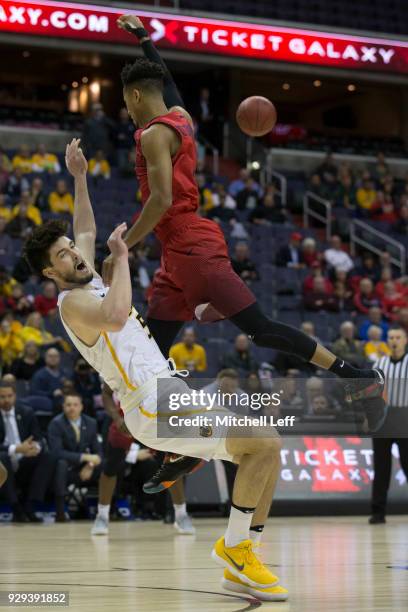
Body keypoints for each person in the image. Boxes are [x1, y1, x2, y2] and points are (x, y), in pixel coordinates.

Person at [25, 139, 289, 600]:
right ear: (50, 274)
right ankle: (235, 548)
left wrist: (81, 176)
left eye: (70, 247)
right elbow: (115, 314)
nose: (75, 253)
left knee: (268, 448)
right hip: (149, 404)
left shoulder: (87, 275)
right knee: (261, 443)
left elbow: (84, 226)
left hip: (168, 390)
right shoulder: (74, 305)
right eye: (63, 255)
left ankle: (243, 553)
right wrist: (123, 258)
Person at [0, 380, 55, 522]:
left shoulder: (26, 411)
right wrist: (16, 448)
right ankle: (16, 508)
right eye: (2, 397)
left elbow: (39, 438)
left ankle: (31, 506)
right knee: (3, 457)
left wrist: (34, 448)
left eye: (9, 396)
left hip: (24, 459)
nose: (6, 400)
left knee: (47, 457)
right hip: (4, 459)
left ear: (15, 395)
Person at [370, 327, 408, 524]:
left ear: (405, 340)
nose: (394, 340)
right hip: (384, 418)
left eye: (398, 337)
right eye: (391, 337)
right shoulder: (380, 362)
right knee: (381, 468)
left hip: (405, 416)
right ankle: (378, 512)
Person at [48, 392, 102, 522]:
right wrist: (85, 457)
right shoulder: (56, 423)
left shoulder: (91, 423)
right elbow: (57, 452)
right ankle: (60, 512)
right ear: (63, 407)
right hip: (66, 470)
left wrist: (90, 465)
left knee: (106, 464)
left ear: (81, 406)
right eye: (68, 405)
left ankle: (107, 511)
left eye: (75, 405)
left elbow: (98, 452)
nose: (72, 408)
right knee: (61, 463)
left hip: (85, 469)